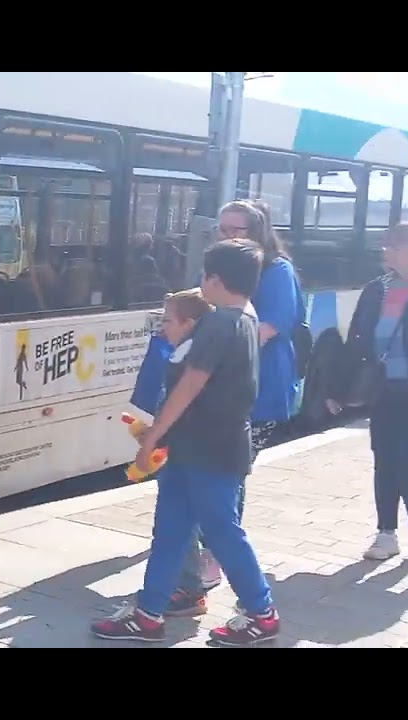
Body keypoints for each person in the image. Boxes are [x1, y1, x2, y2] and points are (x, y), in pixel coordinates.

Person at [91, 239, 281, 646]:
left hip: (211, 450)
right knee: (172, 530)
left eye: (204, 275)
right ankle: (148, 613)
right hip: (194, 447)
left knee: (221, 530)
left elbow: (190, 387)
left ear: (215, 278)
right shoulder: (244, 318)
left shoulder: (221, 324)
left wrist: (152, 438)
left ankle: (261, 612)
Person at [169, 199, 306, 614]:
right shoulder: (220, 268)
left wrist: (203, 352)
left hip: (258, 389)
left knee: (230, 470)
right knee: (217, 471)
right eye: (224, 229)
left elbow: (265, 329)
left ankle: (213, 559)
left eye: (238, 230)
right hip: (220, 386)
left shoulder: (276, 271)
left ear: (259, 232)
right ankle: (201, 556)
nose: (230, 236)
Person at [327, 221, 408, 565]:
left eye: (396, 244)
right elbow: (356, 340)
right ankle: (386, 534)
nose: (386, 249)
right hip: (385, 387)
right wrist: (338, 388)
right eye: (386, 243)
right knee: (385, 459)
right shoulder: (378, 289)